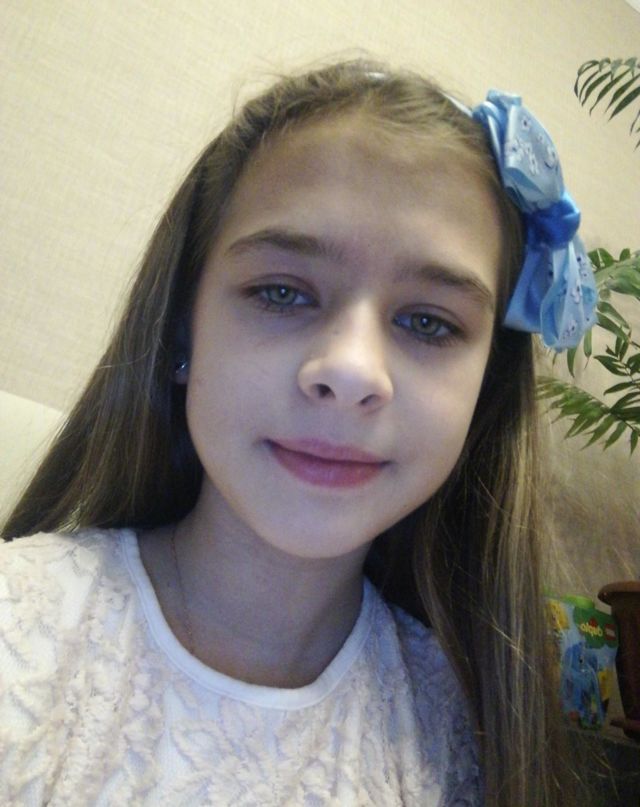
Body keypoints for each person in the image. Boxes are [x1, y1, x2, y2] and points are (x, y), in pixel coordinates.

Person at [0, 58, 596, 806]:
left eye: (428, 322)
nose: (350, 371)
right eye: (281, 292)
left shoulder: (460, 733)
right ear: (183, 327)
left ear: (484, 390)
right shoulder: (18, 634)